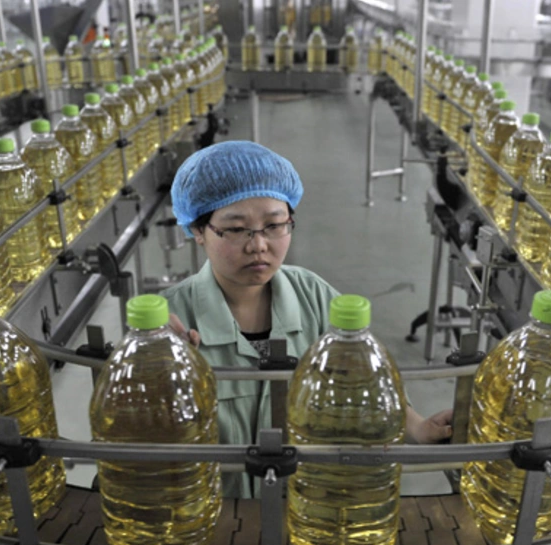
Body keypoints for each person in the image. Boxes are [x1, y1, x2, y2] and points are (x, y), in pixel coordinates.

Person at [161, 141, 452, 498]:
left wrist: (420, 429)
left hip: (308, 508)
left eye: (274, 226)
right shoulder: (168, 322)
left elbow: (367, 386)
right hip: (217, 513)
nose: (259, 246)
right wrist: (164, 376)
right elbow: (148, 438)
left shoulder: (314, 297)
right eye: (236, 229)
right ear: (197, 231)